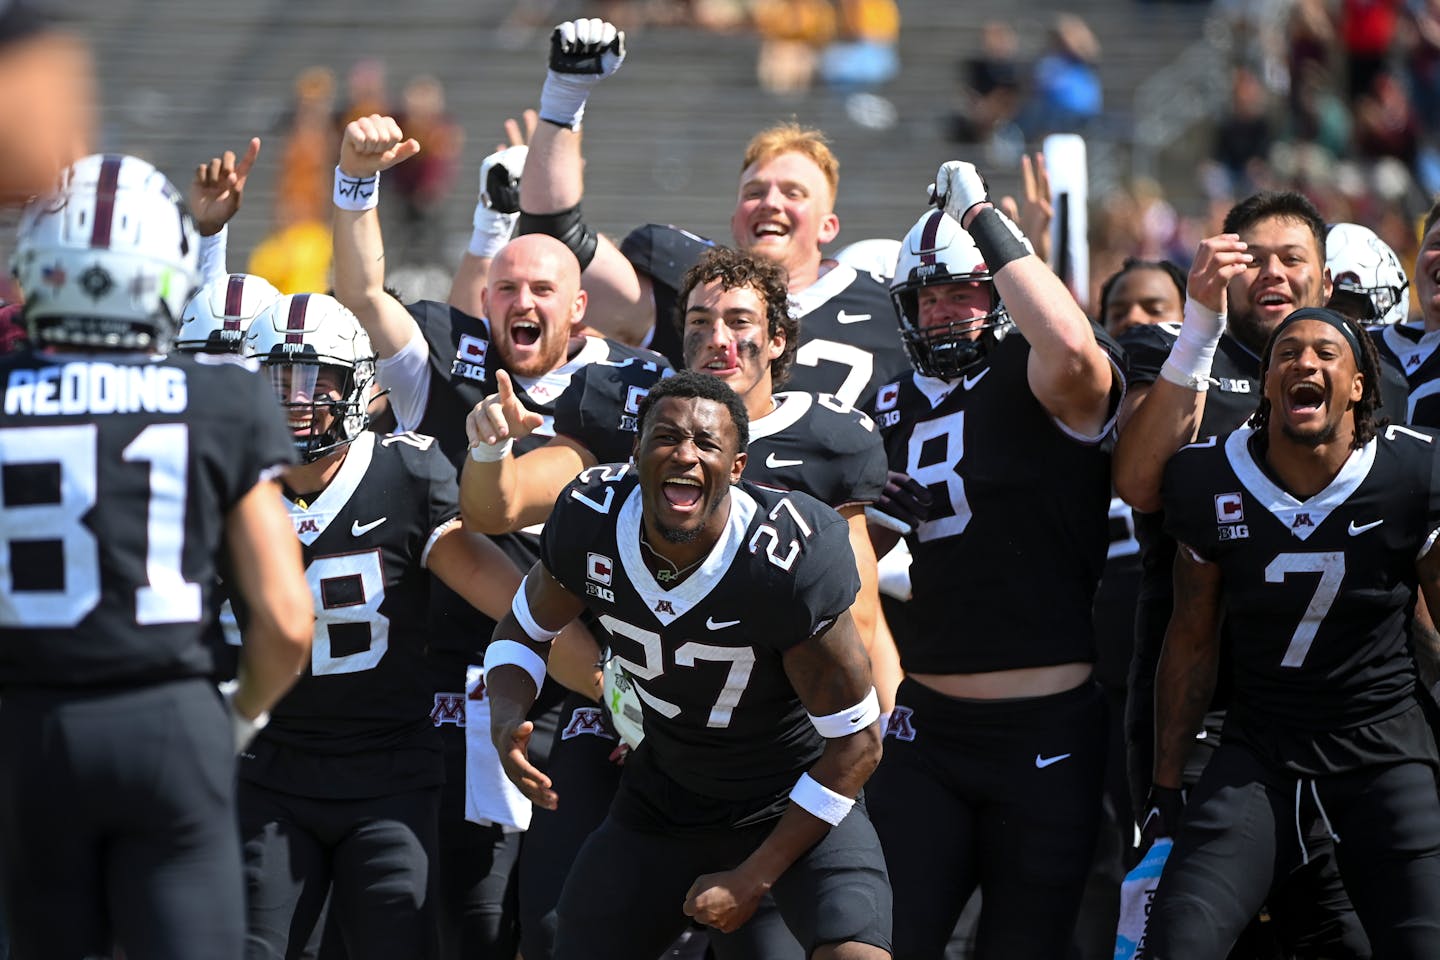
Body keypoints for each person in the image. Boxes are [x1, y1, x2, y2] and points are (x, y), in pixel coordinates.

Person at [462, 246, 893, 960]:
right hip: (664, 788)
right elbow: (524, 625)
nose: (684, 456)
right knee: (563, 938)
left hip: (788, 791)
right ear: (634, 454)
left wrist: (754, 876)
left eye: (705, 444)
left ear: (740, 467)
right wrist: (509, 710)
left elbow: (856, 740)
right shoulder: (594, 513)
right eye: (665, 439)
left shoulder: (787, 555)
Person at [329, 113, 636, 959]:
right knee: (468, 917)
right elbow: (361, 296)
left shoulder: (630, 389)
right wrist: (356, 186)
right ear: (486, 299)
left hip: (592, 693)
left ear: (580, 306)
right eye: (506, 288)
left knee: (568, 921)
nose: (522, 301)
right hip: (465, 682)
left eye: (543, 289)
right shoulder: (450, 365)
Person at [0, 153, 313, 958]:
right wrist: (237, 720)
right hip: (168, 724)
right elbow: (284, 618)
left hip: (28, 727)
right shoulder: (223, 395)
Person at [233, 292, 567, 958]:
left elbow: (519, 603)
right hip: (269, 767)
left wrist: (614, 687)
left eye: (316, 381)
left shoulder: (404, 474)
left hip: (389, 770)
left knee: (400, 939)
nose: (297, 401)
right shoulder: (231, 481)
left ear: (355, 387)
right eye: (281, 382)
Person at [1114, 192, 1389, 956]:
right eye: (1252, 258)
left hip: (1347, 713)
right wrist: (1197, 330)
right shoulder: (1173, 346)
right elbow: (1138, 482)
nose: (1272, 273)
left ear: (1326, 281)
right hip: (1204, 705)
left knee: (1346, 930)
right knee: (1195, 931)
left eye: (1292, 258)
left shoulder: (1368, 369)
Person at [864, 161, 1123, 958]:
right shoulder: (886, 401)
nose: (943, 312)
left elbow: (1076, 349)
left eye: (963, 292)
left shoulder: (1038, 377)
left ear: (1001, 294)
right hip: (927, 727)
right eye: (928, 296)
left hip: (1047, 723)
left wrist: (980, 213)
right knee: (890, 940)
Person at [1146, 306, 1440, 958]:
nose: (1304, 362)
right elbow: (1192, 637)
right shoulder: (1209, 477)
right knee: (1179, 941)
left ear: (1359, 385)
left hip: (1383, 746)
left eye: (1325, 353)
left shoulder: (1412, 474)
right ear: (1268, 384)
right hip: (1261, 750)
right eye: (1287, 353)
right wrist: (1166, 783)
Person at [515, 18, 912, 409]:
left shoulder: (885, 304)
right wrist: (565, 96)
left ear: (828, 226)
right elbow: (555, 242)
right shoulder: (700, 292)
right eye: (755, 192)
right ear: (735, 218)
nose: (771, 202)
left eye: (793, 193)